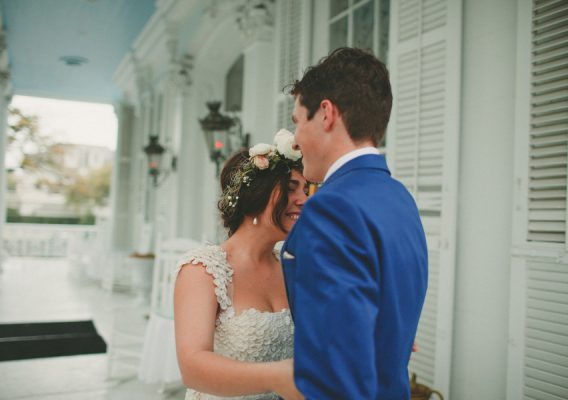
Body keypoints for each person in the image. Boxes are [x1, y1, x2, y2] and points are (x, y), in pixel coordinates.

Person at [280, 47, 429, 399]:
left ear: (326, 114)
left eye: (298, 120)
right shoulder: (400, 199)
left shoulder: (331, 208)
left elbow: (337, 373)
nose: (296, 138)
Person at [173, 129, 308, 400]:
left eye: (306, 190)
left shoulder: (294, 266)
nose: (304, 200)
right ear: (256, 195)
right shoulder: (203, 270)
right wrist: (276, 377)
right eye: (291, 189)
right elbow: (192, 367)